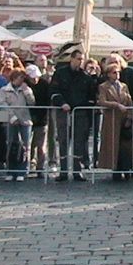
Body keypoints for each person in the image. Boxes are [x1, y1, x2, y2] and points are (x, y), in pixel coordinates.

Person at [49, 47, 97, 182]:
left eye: (82, 60)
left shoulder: (85, 77)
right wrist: (62, 103)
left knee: (79, 142)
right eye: (78, 59)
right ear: (71, 59)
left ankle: (77, 171)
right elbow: (53, 91)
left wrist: (83, 106)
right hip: (63, 112)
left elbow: (91, 97)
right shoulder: (60, 73)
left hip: (80, 114)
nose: (80, 62)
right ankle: (63, 171)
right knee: (63, 140)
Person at [98, 63, 133, 180]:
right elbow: (102, 101)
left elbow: (129, 102)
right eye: (114, 72)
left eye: (118, 72)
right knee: (113, 146)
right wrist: (116, 105)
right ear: (108, 74)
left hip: (124, 120)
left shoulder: (124, 86)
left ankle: (127, 170)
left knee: (126, 146)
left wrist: (129, 117)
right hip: (111, 120)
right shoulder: (104, 87)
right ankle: (116, 170)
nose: (117, 75)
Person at [0, 68, 36, 182]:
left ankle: (22, 170)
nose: (22, 80)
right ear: (14, 78)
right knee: (11, 145)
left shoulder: (26, 89)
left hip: (25, 120)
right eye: (20, 77)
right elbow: (2, 104)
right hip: (11, 121)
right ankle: (10, 170)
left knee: (25, 146)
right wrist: (12, 117)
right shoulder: (4, 90)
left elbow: (32, 102)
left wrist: (27, 92)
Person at [25, 64, 50, 177]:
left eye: (36, 76)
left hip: (42, 118)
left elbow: (47, 101)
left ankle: (40, 168)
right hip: (27, 118)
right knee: (28, 145)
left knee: (41, 145)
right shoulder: (24, 86)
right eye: (32, 77)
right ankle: (28, 166)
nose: (35, 79)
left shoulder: (44, 84)